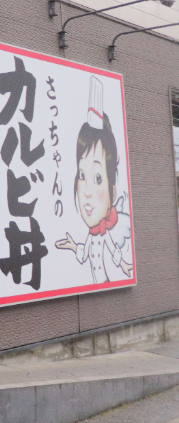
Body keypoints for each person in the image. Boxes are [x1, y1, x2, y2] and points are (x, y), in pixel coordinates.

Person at [55, 76, 133, 282]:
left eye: (98, 179)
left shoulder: (102, 232)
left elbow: (115, 254)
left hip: (106, 281)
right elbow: (83, 255)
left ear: (113, 192)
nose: (87, 191)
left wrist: (125, 266)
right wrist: (73, 246)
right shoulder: (93, 234)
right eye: (82, 175)